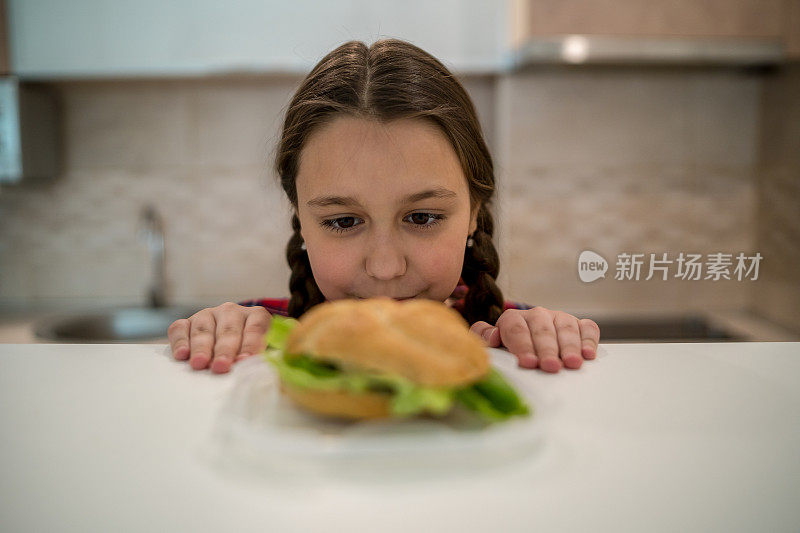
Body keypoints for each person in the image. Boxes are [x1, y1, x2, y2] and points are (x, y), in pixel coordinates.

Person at [168, 39, 601, 375]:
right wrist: (217, 336)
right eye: (343, 221)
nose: (385, 267)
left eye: (422, 217)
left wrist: (551, 343)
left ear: (473, 211)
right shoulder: (261, 335)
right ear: (300, 218)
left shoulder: (509, 338)